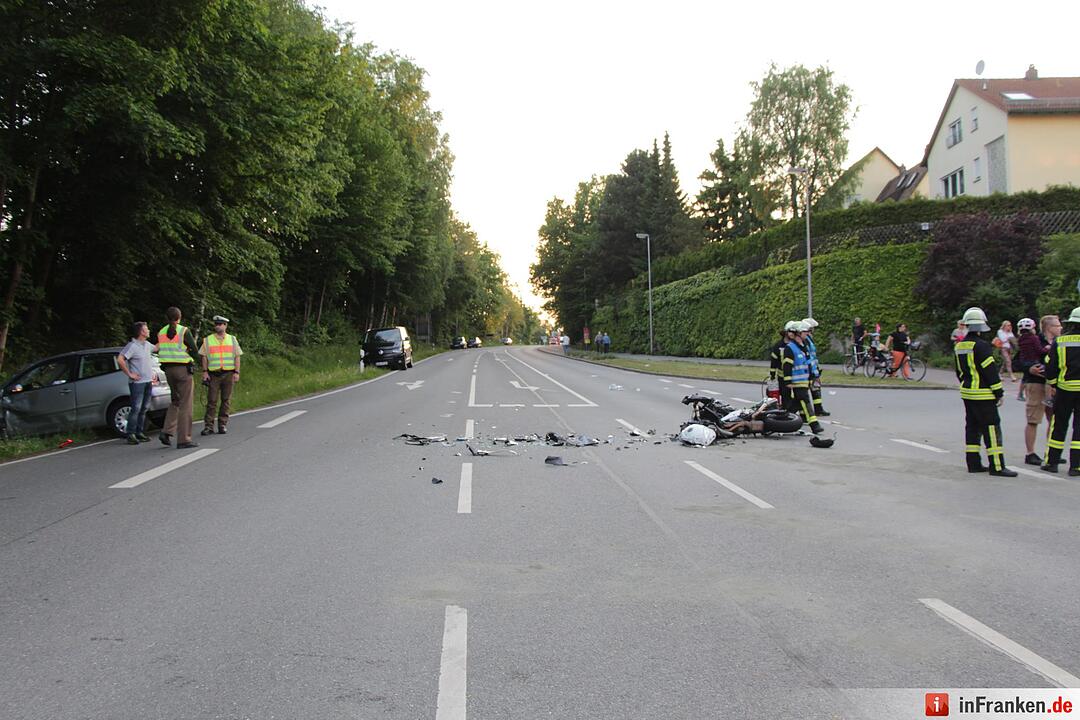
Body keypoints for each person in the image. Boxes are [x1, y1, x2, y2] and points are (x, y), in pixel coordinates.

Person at [954, 307, 1017, 476]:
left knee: (972, 427)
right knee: (991, 428)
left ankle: (973, 464)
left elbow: (959, 371)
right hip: (983, 394)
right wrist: (999, 392)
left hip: (967, 392)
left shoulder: (960, 346)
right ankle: (997, 466)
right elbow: (990, 372)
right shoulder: (982, 346)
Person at [1041, 307, 1080, 476]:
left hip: (1064, 389)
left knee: (1058, 425)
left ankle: (1052, 462)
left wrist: (1053, 384)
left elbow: (1050, 364)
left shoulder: (1061, 341)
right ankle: (1076, 466)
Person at [156, 306, 200, 449]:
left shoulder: (161, 332)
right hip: (182, 370)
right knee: (185, 404)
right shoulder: (183, 331)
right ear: (179, 318)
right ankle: (184, 439)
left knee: (175, 401)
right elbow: (194, 350)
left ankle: (166, 431)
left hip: (168, 371)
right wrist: (202, 363)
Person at [1016, 317, 1053, 464]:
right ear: (1049, 327)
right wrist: (1029, 368)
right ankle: (1030, 453)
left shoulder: (1060, 341)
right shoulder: (1036, 340)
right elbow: (1017, 361)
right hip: (1036, 382)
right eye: (1057, 325)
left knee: (1053, 419)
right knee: (1033, 420)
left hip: (1053, 384)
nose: (1061, 328)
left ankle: (1051, 452)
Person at [199, 315, 243, 436]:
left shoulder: (232, 339)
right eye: (216, 324)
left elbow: (237, 356)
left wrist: (237, 372)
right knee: (212, 401)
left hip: (228, 373)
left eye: (220, 324)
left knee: (226, 400)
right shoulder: (208, 340)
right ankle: (208, 426)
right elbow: (204, 357)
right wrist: (205, 372)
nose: (217, 326)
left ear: (225, 325)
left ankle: (222, 424)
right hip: (214, 374)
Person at [116, 321, 157, 445]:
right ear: (141, 332)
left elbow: (156, 348)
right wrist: (130, 374)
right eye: (146, 329)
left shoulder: (147, 345)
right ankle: (131, 434)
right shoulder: (132, 346)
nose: (148, 331)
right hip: (137, 383)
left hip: (148, 381)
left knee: (144, 408)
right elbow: (120, 359)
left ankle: (139, 432)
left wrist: (166, 337)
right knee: (136, 408)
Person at [782, 321, 824, 435]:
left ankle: (782, 418)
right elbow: (787, 366)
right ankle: (814, 424)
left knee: (796, 403)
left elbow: (809, 362)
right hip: (797, 381)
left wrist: (814, 376)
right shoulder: (790, 348)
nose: (807, 334)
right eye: (805, 332)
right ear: (798, 333)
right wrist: (788, 381)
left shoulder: (804, 346)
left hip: (805, 380)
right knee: (805, 401)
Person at [801, 317, 829, 416]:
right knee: (811, 389)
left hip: (813, 367)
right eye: (812, 328)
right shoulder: (805, 340)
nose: (813, 330)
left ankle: (818, 408)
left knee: (815, 388)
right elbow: (808, 355)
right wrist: (813, 370)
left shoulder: (808, 339)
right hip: (809, 369)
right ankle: (812, 410)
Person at [769, 322, 795, 402]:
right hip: (782, 377)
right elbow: (773, 362)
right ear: (786, 332)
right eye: (791, 332)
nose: (793, 334)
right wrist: (772, 375)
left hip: (795, 376)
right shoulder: (778, 346)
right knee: (785, 397)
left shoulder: (796, 345)